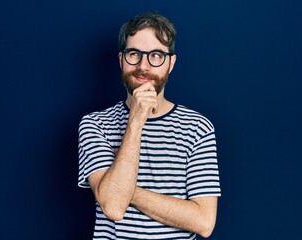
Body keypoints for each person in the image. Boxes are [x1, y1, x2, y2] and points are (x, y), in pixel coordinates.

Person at [78, 12, 221, 239]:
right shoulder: (95, 125)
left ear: (171, 64)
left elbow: (203, 222)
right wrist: (136, 119)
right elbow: (113, 207)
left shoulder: (198, 128)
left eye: (156, 55)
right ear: (121, 59)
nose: (143, 66)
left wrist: (123, 190)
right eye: (134, 54)